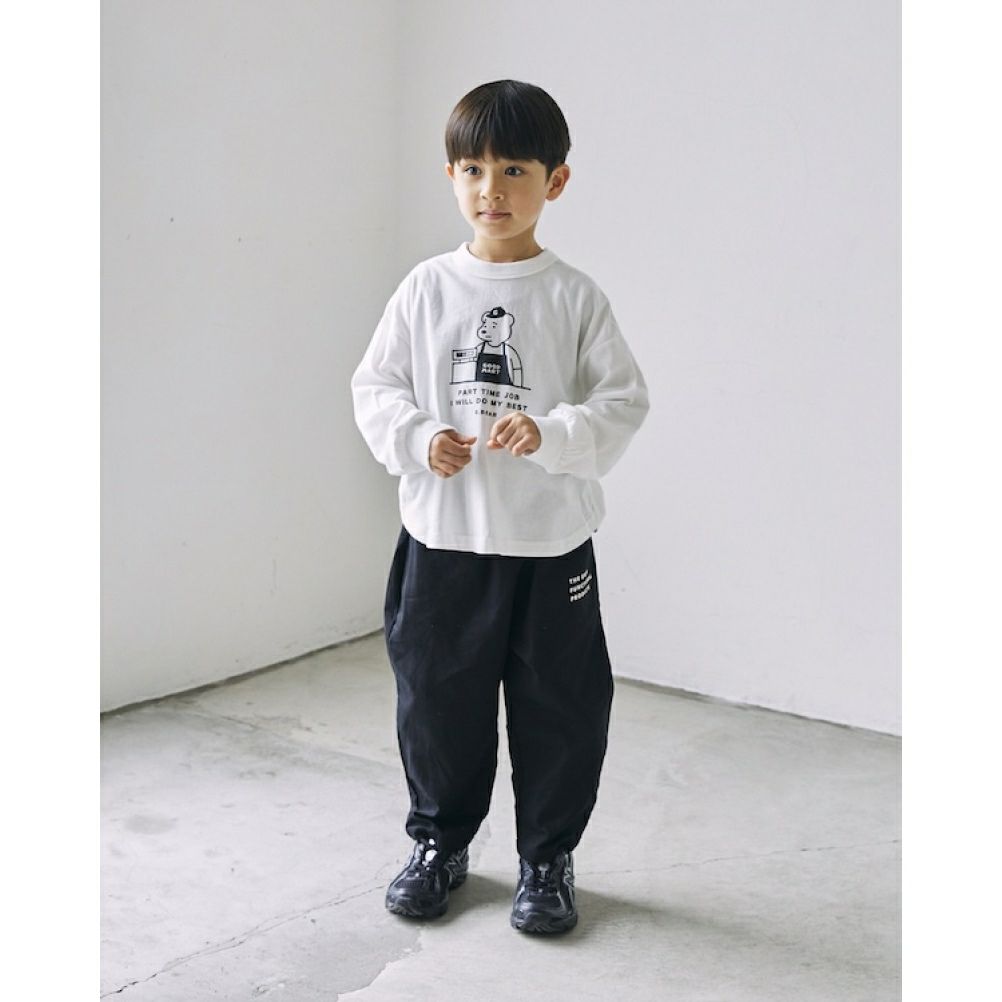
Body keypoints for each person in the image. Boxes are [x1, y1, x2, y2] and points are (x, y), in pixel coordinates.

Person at [350, 79, 649, 935]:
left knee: (561, 707)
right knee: (437, 702)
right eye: (474, 169)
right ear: (451, 175)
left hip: (548, 546)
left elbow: (623, 401)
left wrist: (552, 433)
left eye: (515, 169)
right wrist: (418, 438)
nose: (493, 189)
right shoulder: (426, 289)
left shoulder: (573, 296)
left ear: (555, 181)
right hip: (444, 538)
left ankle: (547, 860)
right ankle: (439, 845)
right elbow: (376, 387)